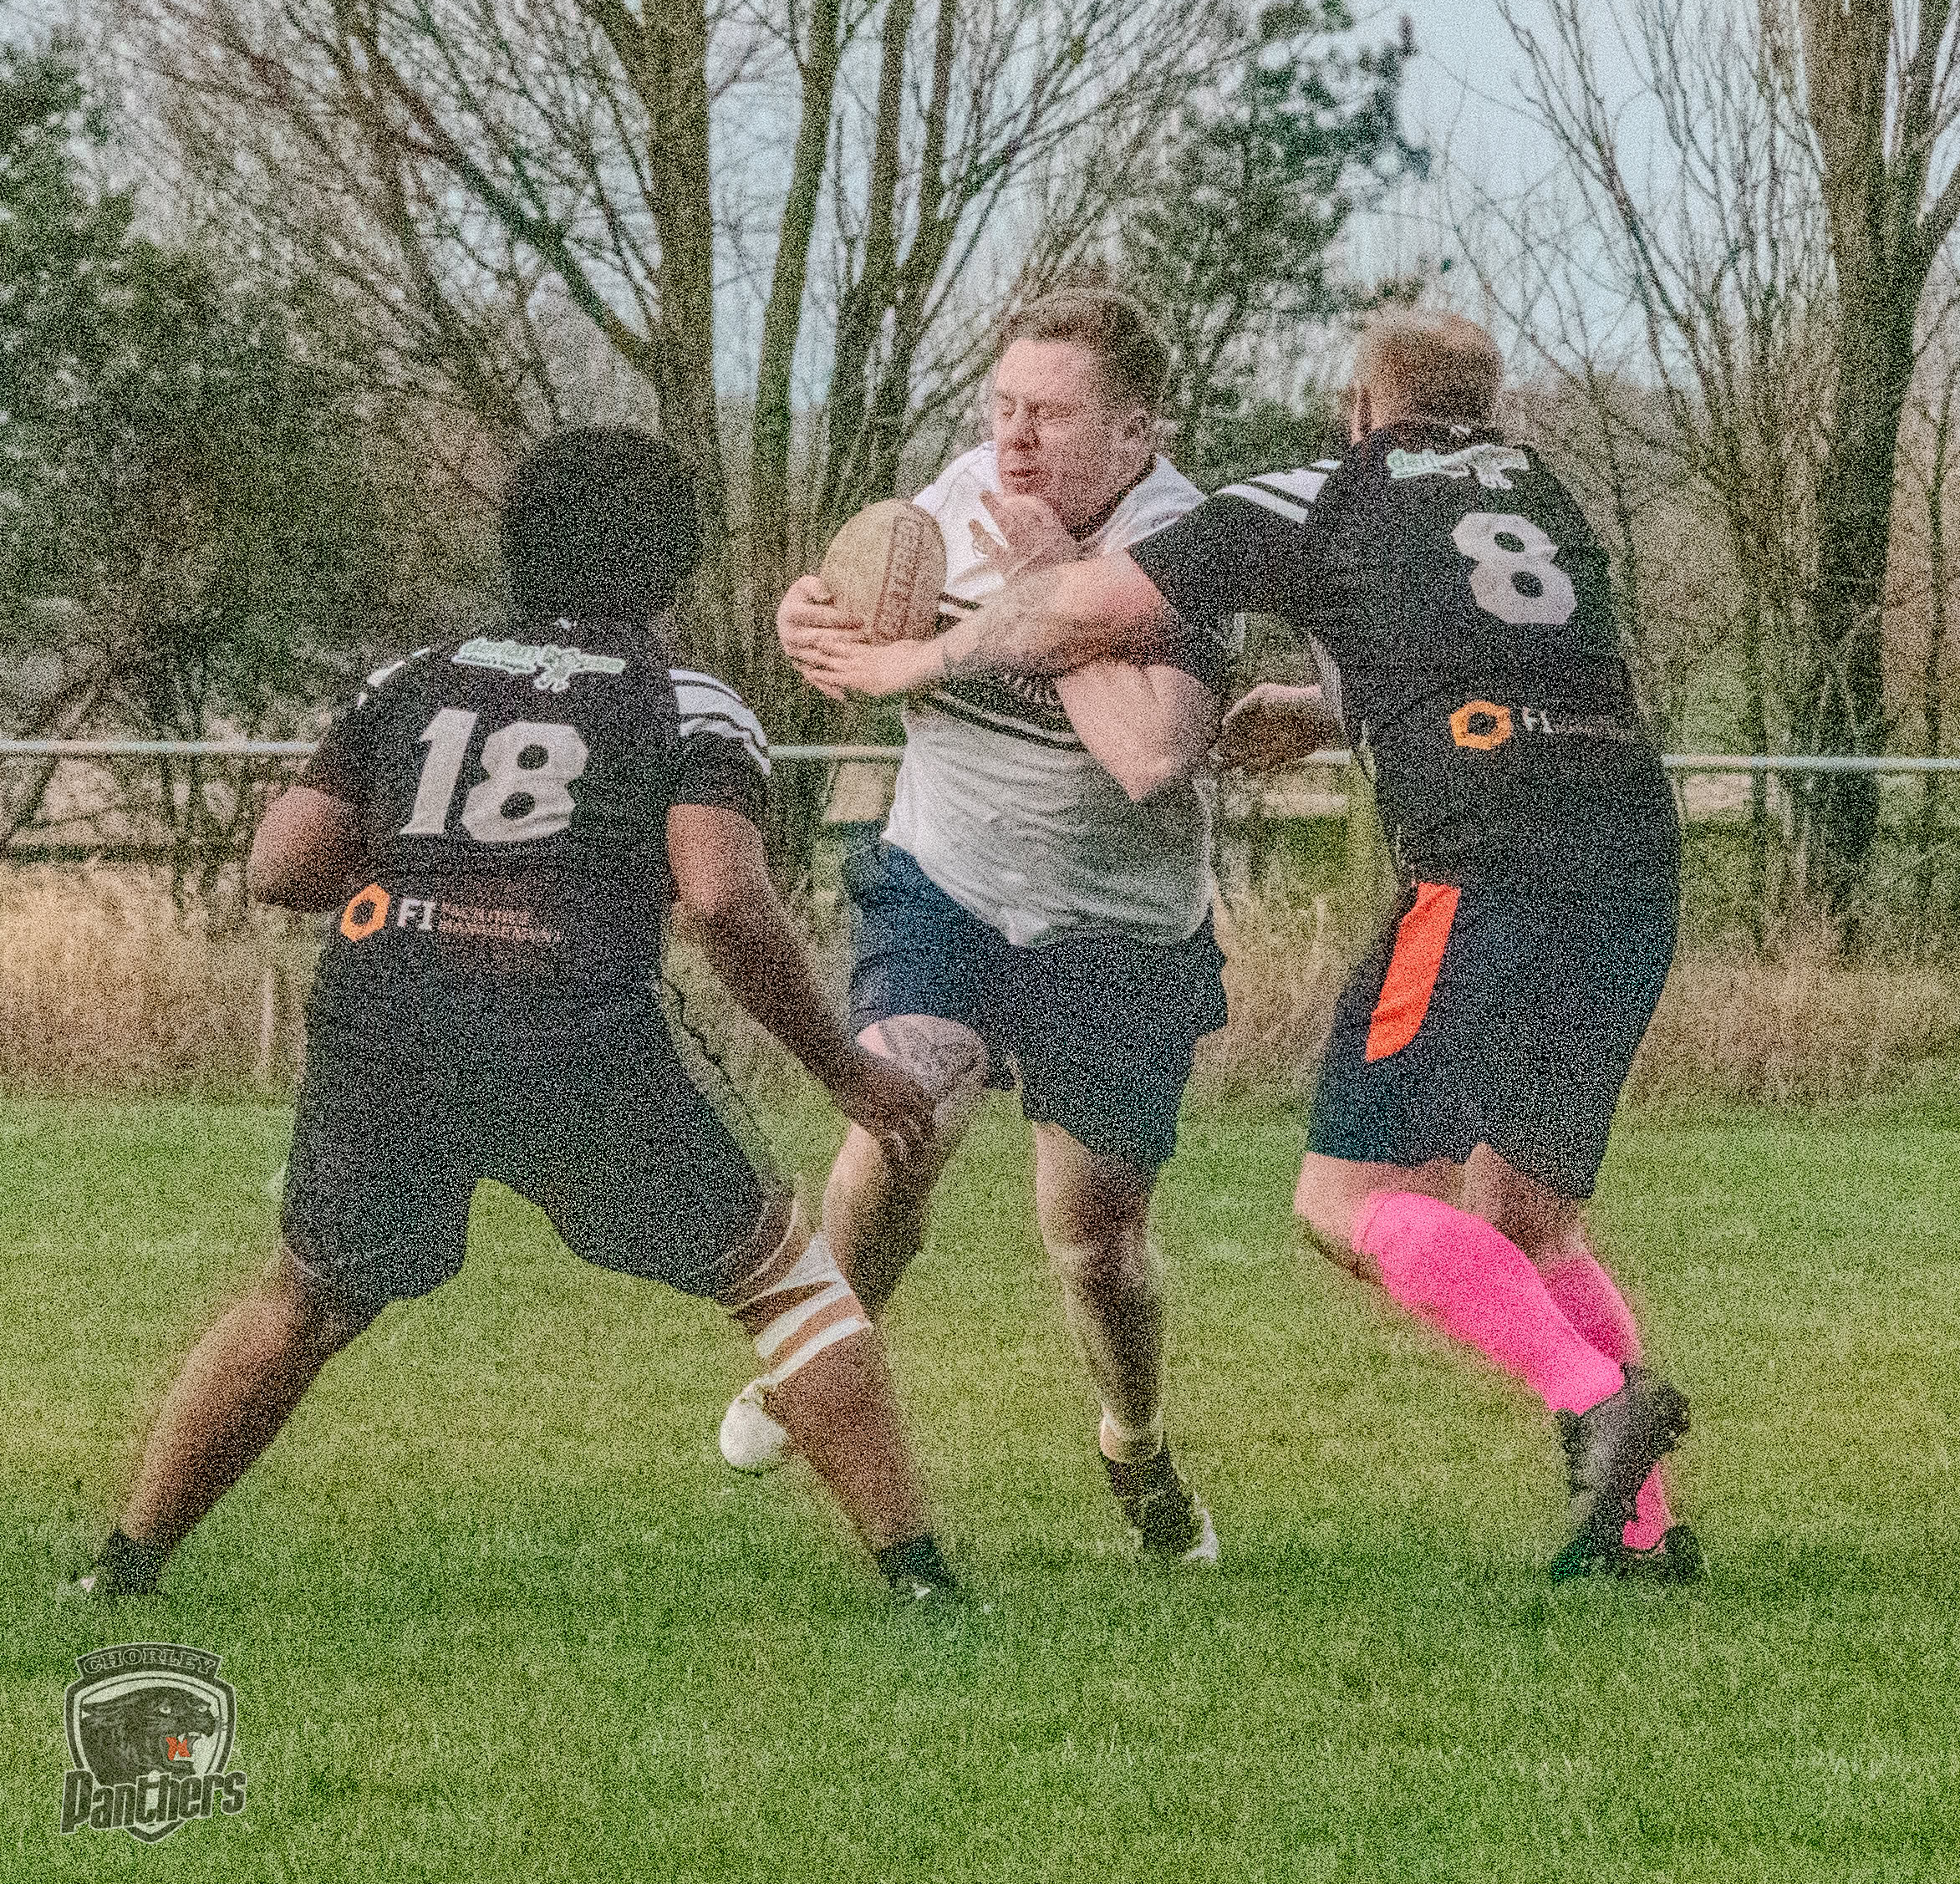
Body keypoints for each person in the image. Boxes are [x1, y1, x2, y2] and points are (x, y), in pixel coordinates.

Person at [792, 310, 1700, 1582]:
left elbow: (1079, 616)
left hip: (1483, 867)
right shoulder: (1537, 494)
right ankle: (1644, 1533)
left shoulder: (1319, 492)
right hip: (1631, 860)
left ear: (1361, 410)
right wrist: (1331, 710)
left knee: (1345, 1200)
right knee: (1533, 1221)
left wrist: (908, 662)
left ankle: (1598, 1400)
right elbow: (1500, 651)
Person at [70, 426, 957, 1604]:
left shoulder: (410, 678)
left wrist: (437, 885)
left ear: (518, 548)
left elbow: (280, 865)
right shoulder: (688, 703)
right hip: (572, 1029)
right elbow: (722, 898)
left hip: (388, 1020)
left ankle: (122, 1569)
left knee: (307, 1295)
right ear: (671, 565)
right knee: (782, 1280)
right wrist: (843, 1069)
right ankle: (922, 1583)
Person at [722, 288, 1235, 1563]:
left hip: (1117, 928)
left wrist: (1048, 591)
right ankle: (813, 1350)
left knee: (1093, 1239)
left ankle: (1135, 1442)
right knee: (904, 1110)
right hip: (944, 882)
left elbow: (1151, 756)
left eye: (1049, 415)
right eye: (1003, 406)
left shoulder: (1185, 547)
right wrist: (807, 619)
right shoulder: (950, 502)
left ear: (1135, 433)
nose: (1012, 437)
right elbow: (851, 620)